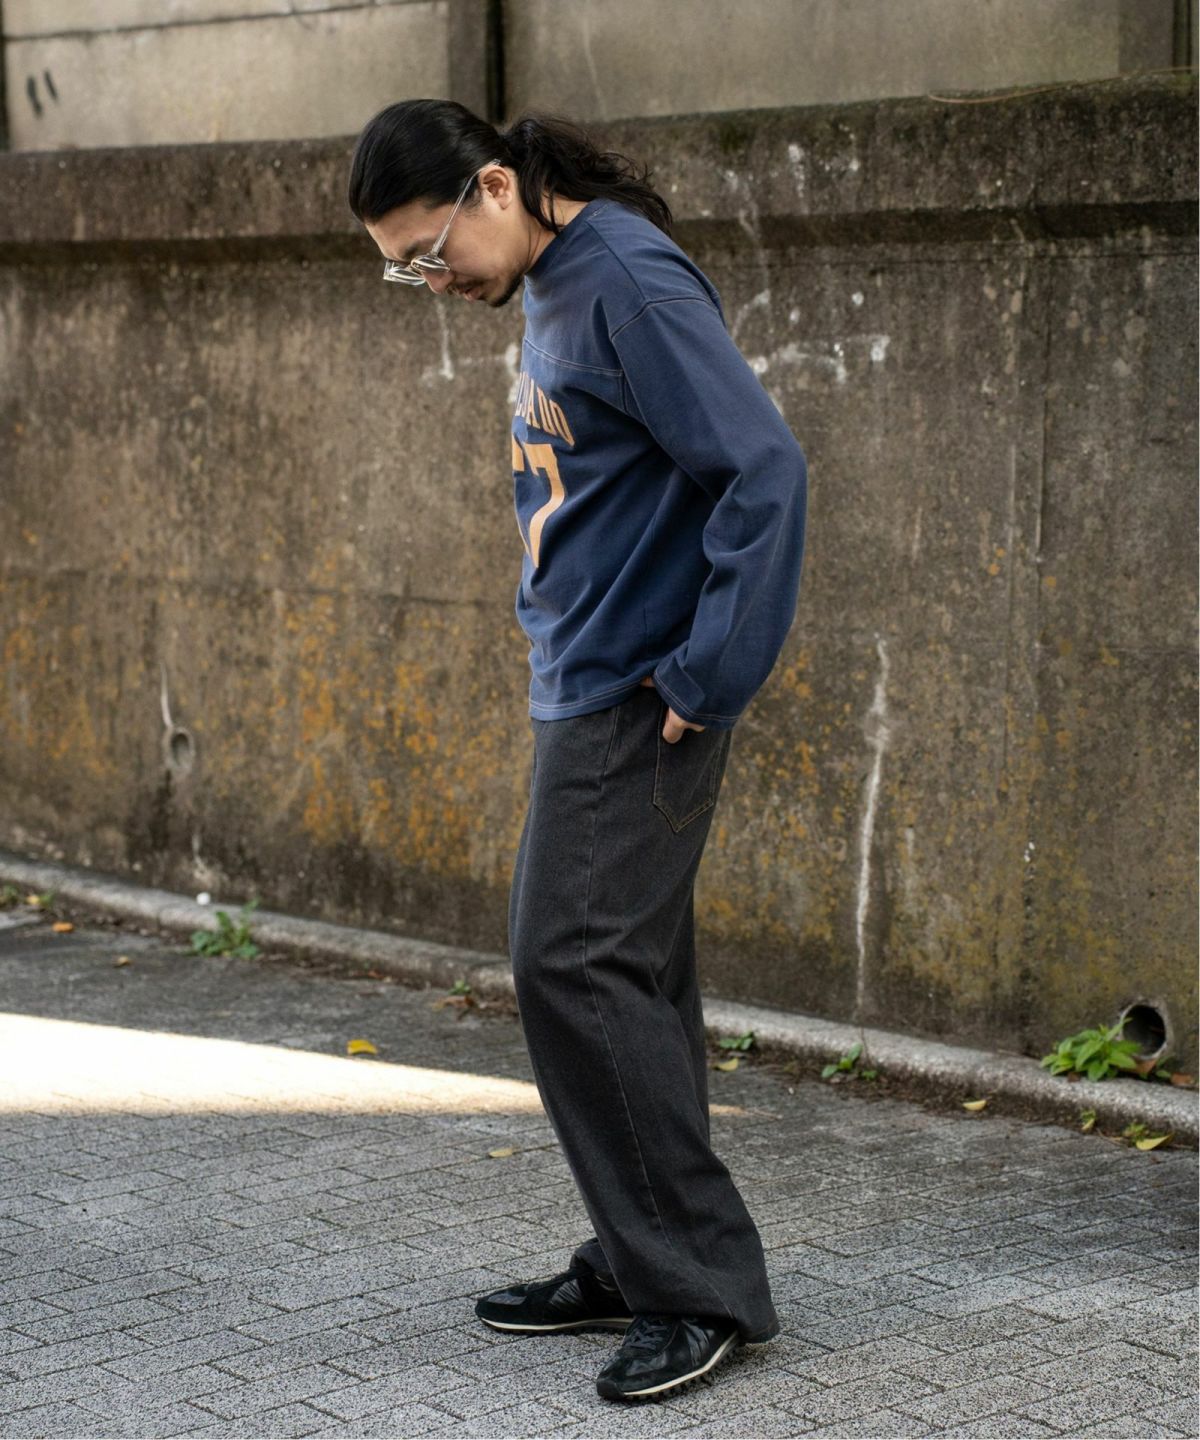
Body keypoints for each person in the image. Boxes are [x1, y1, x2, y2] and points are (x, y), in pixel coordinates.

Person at [347, 100, 807, 1403]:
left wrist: (710, 672)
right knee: (633, 979)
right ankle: (639, 1251)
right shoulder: (557, 279)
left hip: (640, 694)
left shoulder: (626, 282)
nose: (434, 283)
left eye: (431, 252)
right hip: (587, 679)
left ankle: (698, 1287)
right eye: (406, 271)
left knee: (568, 961)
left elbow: (765, 472)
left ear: (496, 186)